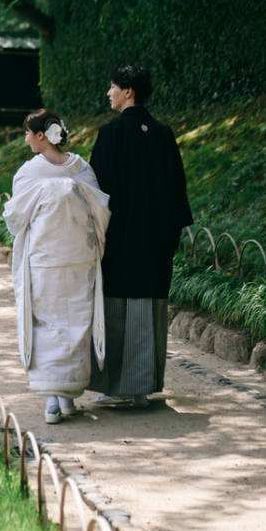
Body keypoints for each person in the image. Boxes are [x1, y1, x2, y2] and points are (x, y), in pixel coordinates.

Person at [88, 63, 193, 407]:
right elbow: (177, 190)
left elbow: (96, 193)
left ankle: (117, 386)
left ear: (128, 91)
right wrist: (169, 239)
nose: (109, 92)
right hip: (156, 242)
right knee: (148, 311)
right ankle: (142, 388)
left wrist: (97, 236)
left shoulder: (110, 133)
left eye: (113, 86)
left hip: (118, 238)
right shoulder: (164, 133)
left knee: (117, 309)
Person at [3, 109, 111, 425]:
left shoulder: (29, 173)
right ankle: (67, 396)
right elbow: (100, 210)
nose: (24, 138)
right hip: (79, 259)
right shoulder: (81, 168)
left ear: (41, 136)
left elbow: (15, 218)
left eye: (26, 132)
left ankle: (53, 399)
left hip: (45, 261)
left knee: (47, 326)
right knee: (77, 322)